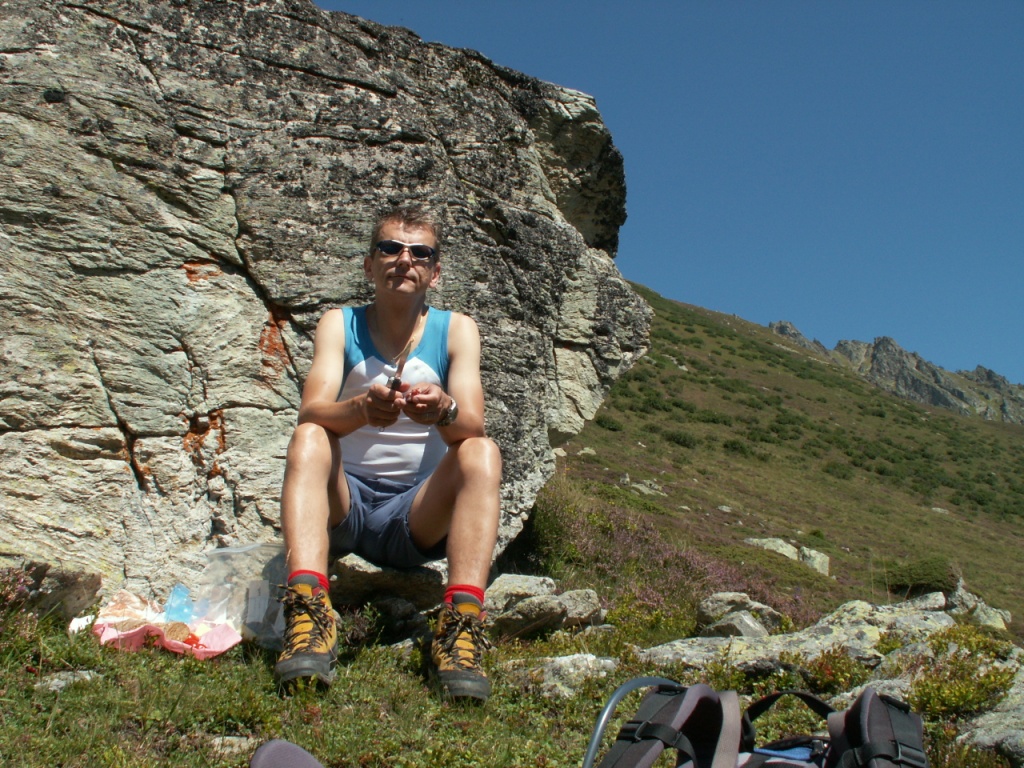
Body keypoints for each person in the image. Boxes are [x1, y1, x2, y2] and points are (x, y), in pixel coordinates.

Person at [274, 203, 502, 703]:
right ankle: (308, 616)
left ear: (435, 272)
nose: (404, 259)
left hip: (414, 515)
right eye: (390, 248)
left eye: (420, 252)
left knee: (482, 452)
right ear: (369, 264)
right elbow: (311, 411)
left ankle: (461, 627)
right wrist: (357, 410)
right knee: (310, 437)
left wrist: (442, 409)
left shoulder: (457, 329)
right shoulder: (339, 324)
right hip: (345, 505)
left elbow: (471, 424)